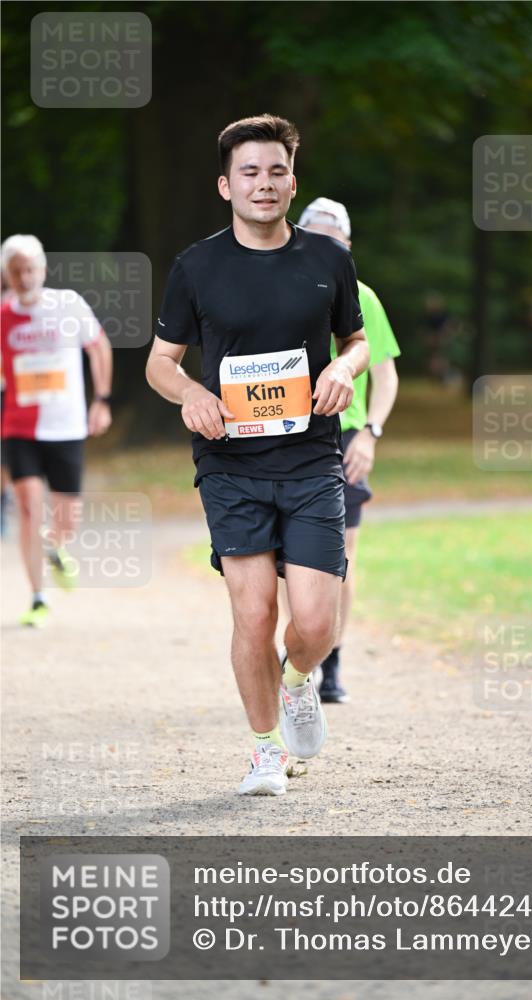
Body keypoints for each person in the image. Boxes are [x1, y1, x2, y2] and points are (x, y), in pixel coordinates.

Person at [145, 115, 369, 797]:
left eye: (276, 171)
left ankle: (298, 680)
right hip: (230, 463)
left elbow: (356, 341)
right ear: (225, 184)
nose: (264, 184)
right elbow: (160, 362)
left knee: (315, 621)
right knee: (252, 615)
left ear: (292, 182)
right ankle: (265, 751)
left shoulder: (327, 260)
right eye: (250, 172)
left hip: (307, 461)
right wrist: (189, 394)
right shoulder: (197, 266)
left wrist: (343, 370)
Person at [297, 197, 400, 703]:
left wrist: (370, 433)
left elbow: (386, 377)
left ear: (348, 246)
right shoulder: (284, 291)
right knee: (285, 558)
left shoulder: (363, 297)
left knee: (342, 556)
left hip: (344, 436)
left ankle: (332, 661)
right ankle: (298, 652)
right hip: (288, 433)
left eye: (332, 239)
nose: (322, 246)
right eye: (312, 235)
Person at [0, 235, 113, 626]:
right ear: (6, 276)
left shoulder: (68, 305)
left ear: (43, 270)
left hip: (66, 426)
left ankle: (55, 545)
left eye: (30, 269)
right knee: (29, 506)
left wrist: (101, 400)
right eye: (16, 271)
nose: (24, 277)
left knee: (67, 519)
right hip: (18, 426)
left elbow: (99, 348)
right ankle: (37, 597)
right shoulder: (2, 315)